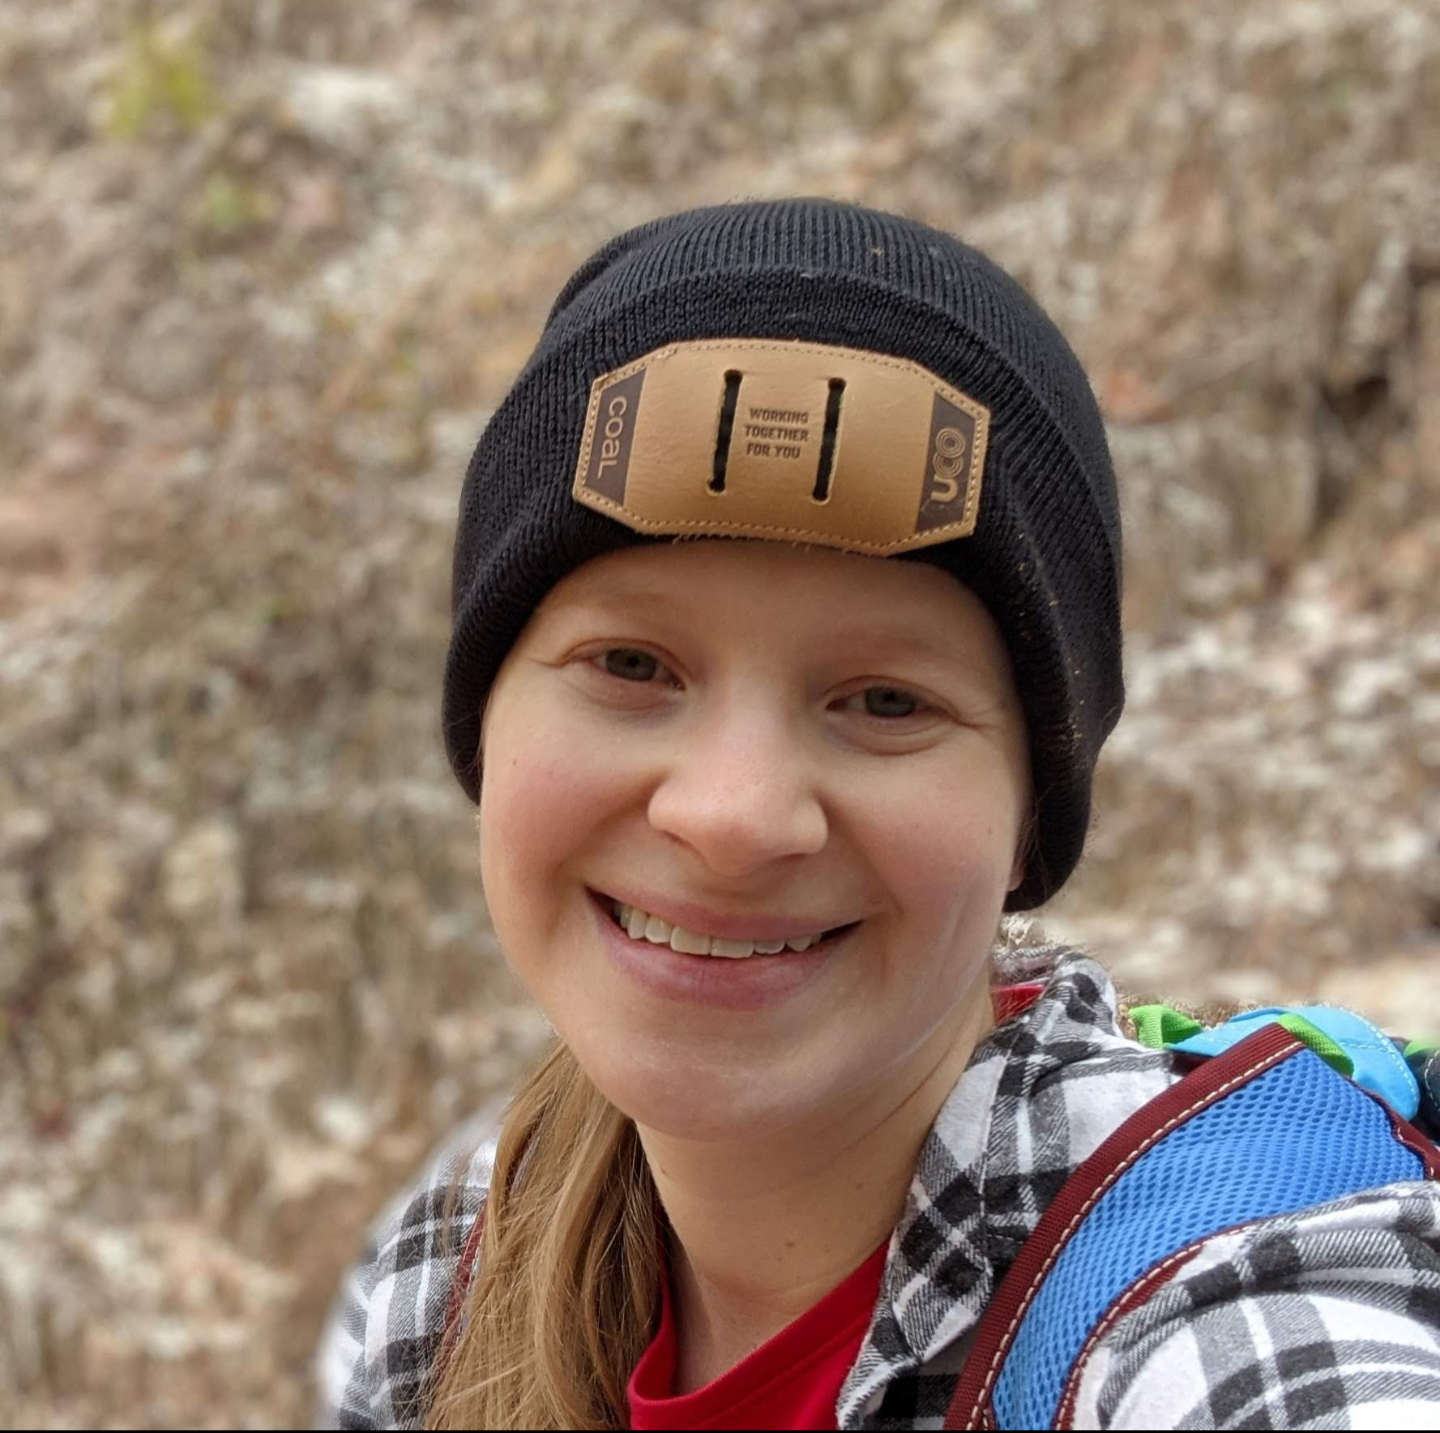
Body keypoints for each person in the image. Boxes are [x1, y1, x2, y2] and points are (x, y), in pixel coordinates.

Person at [315, 199, 1440, 1431]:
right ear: (487, 723)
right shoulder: (449, 1276)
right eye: (631, 665)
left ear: (1027, 818)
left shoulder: (1210, 1299)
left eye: (888, 699)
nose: (734, 815)